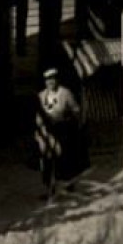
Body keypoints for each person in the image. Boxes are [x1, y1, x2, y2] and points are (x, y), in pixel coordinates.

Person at [34, 68, 88, 198]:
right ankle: (49, 188)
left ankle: (68, 185)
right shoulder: (41, 96)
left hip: (63, 131)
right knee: (47, 161)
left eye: (53, 79)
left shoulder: (65, 93)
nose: (50, 82)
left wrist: (71, 122)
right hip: (47, 133)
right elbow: (37, 115)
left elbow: (77, 111)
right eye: (48, 80)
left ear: (57, 79)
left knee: (64, 159)